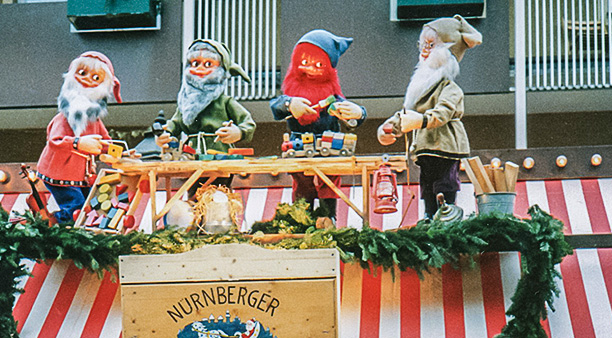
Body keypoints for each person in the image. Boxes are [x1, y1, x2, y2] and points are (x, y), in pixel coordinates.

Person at [377, 16, 482, 221]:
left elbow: (442, 112)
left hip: (445, 145)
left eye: (431, 45)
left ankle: (447, 212)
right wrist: (391, 127)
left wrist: (421, 121)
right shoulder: (421, 87)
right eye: (422, 44)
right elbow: (408, 112)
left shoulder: (450, 89)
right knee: (427, 183)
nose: (424, 50)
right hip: (425, 147)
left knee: (445, 181)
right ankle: (429, 212)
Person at [269, 30, 367, 221]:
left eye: (319, 65)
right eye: (304, 63)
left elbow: (352, 116)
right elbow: (276, 106)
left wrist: (358, 113)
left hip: (330, 146)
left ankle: (328, 216)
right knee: (301, 182)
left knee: (329, 181)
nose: (312, 69)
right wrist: (290, 104)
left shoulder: (333, 98)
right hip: (298, 146)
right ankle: (302, 218)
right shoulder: (291, 93)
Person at [36, 52, 122, 224]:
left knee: (90, 205)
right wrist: (79, 143)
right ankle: (50, 224)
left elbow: (105, 141)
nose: (88, 80)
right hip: (60, 173)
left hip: (83, 175)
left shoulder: (93, 119)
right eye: (82, 73)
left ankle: (82, 231)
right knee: (76, 208)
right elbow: (55, 141)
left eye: (96, 77)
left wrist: (118, 153)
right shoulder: (63, 118)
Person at [157, 39, 256, 159]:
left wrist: (238, 132)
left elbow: (248, 123)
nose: (200, 69)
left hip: (220, 153)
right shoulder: (185, 104)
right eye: (195, 63)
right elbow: (174, 124)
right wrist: (164, 134)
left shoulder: (225, 102)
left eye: (208, 64)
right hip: (191, 154)